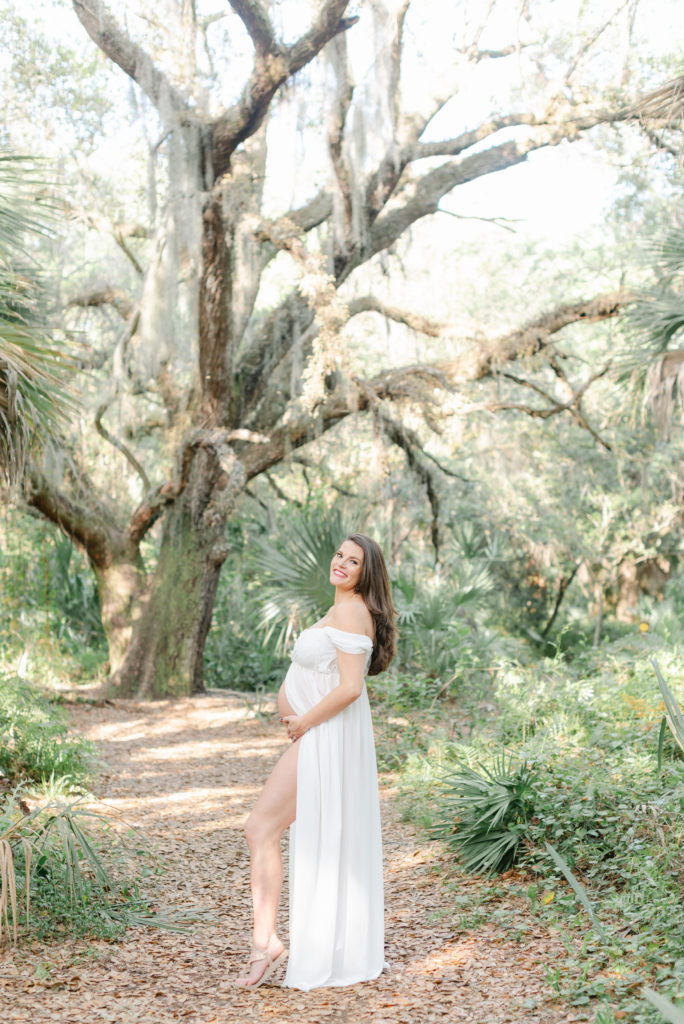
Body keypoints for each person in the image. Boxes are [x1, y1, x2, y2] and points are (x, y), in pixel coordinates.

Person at [235, 533, 397, 990]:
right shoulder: (340, 609)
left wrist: (304, 720)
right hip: (317, 736)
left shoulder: (350, 609)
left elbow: (350, 688)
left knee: (260, 827)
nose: (342, 563)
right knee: (264, 829)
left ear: (367, 573)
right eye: (340, 555)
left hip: (323, 738)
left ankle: (264, 942)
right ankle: (268, 940)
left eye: (354, 560)